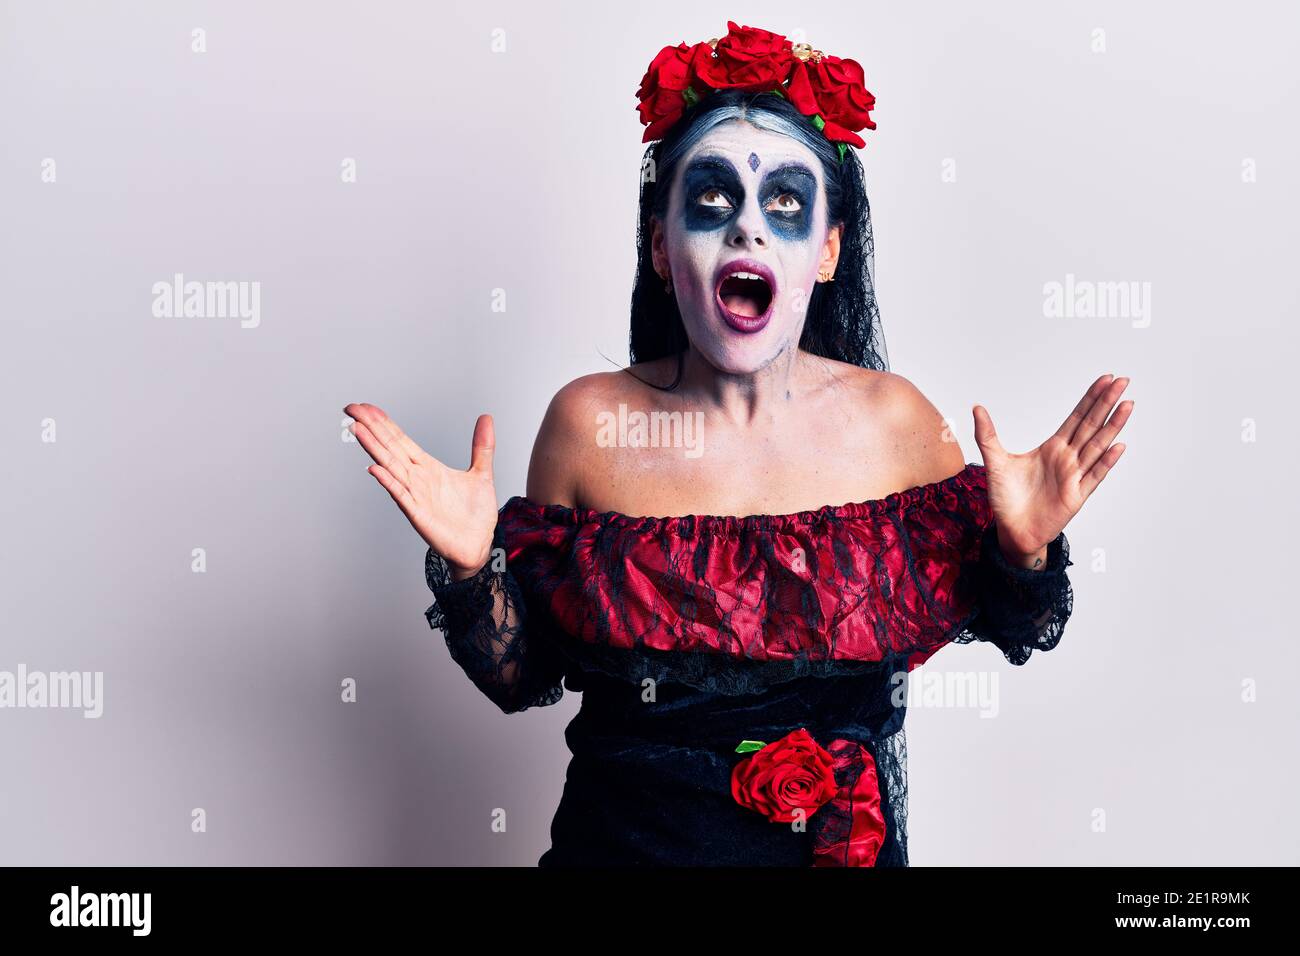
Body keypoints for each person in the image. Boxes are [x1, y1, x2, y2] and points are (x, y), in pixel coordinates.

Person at [344, 21, 1133, 866]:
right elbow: (523, 677)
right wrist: (474, 572)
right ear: (660, 245)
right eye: (711, 201)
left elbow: (1018, 622)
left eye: (786, 205)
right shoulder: (585, 423)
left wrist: (1024, 552)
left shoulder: (900, 425)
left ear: (829, 252)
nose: (747, 231)